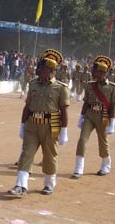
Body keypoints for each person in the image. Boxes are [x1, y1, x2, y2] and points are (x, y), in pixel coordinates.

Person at [7, 49, 69, 197]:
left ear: (50, 70)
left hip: (50, 125)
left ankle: (48, 184)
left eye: (41, 69)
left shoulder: (61, 88)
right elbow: (27, 106)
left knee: (49, 155)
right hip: (32, 124)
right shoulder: (33, 84)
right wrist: (22, 125)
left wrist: (64, 131)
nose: (38, 71)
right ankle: (20, 185)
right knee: (26, 153)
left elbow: (64, 111)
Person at [72, 55, 115, 178]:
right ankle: (78, 168)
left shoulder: (113, 87)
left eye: (96, 71)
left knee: (102, 142)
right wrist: (81, 117)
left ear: (102, 72)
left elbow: (112, 106)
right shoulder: (90, 85)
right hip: (90, 115)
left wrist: (112, 123)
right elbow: (86, 102)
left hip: (103, 116)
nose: (93, 73)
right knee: (82, 139)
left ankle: (105, 164)